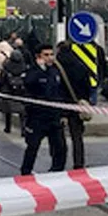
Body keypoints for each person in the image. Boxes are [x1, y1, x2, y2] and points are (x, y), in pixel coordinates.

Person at [20, 44, 70, 176]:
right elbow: (28, 83)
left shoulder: (55, 71)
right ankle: (26, 172)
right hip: (37, 117)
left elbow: (61, 92)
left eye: (51, 54)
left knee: (60, 147)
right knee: (33, 146)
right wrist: (39, 69)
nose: (50, 58)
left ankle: (57, 171)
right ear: (39, 57)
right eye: (46, 55)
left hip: (54, 116)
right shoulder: (33, 71)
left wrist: (63, 114)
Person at [55, 41, 91, 169]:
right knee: (77, 136)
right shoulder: (80, 64)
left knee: (58, 137)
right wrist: (84, 100)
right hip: (76, 105)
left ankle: (59, 163)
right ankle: (79, 162)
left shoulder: (56, 65)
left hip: (60, 105)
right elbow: (87, 86)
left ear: (59, 50)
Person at [0, 49, 28, 134]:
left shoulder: (7, 66)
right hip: (21, 92)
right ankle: (23, 128)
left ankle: (8, 127)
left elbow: (2, 80)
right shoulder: (24, 67)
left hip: (8, 91)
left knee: (8, 110)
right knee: (22, 112)